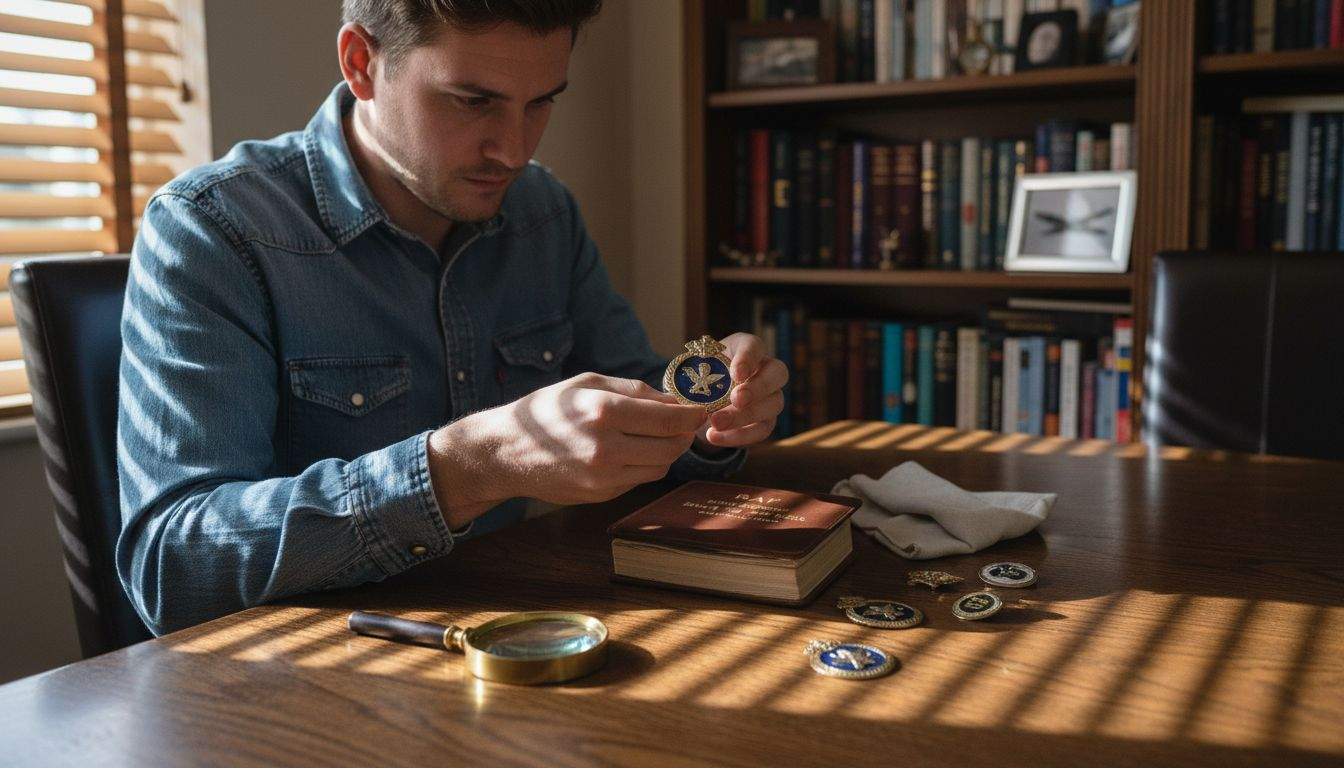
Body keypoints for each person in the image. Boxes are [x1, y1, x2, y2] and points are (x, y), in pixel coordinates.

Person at [117, 0, 787, 635]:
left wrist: (709, 420)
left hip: (516, 640)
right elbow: (172, 567)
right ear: (360, 64)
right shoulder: (213, 230)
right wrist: (467, 469)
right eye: (473, 102)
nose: (515, 151)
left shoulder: (543, 215)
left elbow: (646, 415)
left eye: (542, 103)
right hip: (305, 688)